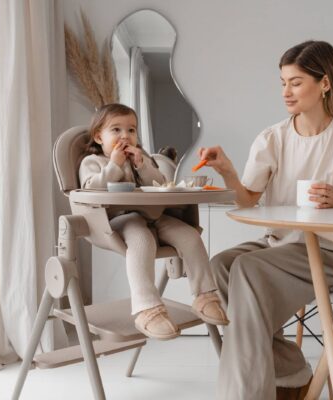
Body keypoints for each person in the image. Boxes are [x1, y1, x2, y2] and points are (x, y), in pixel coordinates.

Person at [198, 41, 333, 400]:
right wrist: (227, 172)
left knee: (248, 269)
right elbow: (248, 199)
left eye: (296, 82)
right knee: (220, 266)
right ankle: (289, 375)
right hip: (282, 246)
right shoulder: (273, 138)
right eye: (283, 82)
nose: (286, 91)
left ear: (325, 83)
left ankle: (245, 395)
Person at [79, 103, 229, 340]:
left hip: (154, 214)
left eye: (131, 130)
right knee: (142, 239)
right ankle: (146, 308)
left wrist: (142, 165)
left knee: (190, 236)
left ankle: (205, 295)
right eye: (116, 130)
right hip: (118, 219)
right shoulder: (93, 162)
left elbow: (160, 183)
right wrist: (114, 165)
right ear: (99, 137)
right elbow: (90, 189)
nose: (125, 136)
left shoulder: (141, 158)